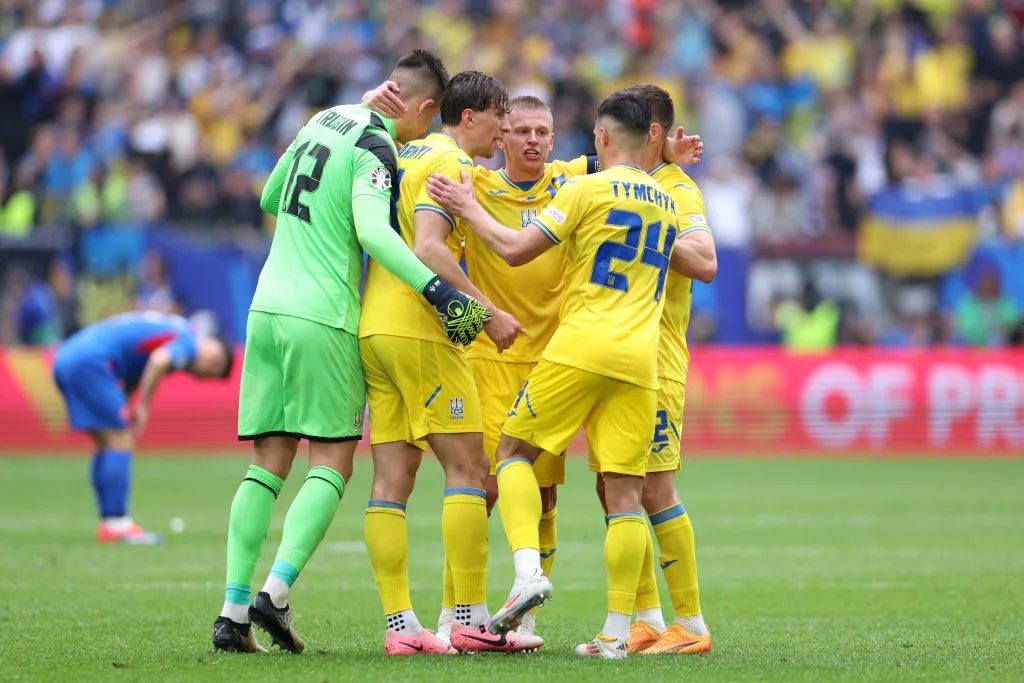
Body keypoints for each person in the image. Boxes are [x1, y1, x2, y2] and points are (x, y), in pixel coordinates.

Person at [363, 82, 702, 643]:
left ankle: (527, 612)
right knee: (484, 484)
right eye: (519, 130)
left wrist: (664, 150)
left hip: (558, 357)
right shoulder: (480, 181)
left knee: (543, 495)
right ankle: (459, 613)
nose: (532, 141)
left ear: (561, 139)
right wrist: (664, 156)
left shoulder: (572, 181)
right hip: (495, 355)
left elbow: (622, 149)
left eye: (543, 132)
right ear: (500, 137)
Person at [212, 50, 491, 655]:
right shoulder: (378, 144)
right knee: (333, 462)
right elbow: (371, 231)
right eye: (429, 116)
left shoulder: (324, 118)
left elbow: (269, 196)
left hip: (265, 310)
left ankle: (232, 612)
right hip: (324, 315)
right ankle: (275, 594)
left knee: (267, 463)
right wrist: (436, 288)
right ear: (421, 108)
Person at [357, 70, 540, 656]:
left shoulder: (403, 153)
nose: (504, 130)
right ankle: (468, 618)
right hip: (422, 330)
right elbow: (429, 248)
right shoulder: (447, 163)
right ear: (468, 117)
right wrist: (488, 312)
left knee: (391, 481)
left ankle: (400, 628)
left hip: (375, 325)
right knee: (471, 470)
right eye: (499, 119)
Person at [597, 84, 717, 656]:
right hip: (614, 357)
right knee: (612, 486)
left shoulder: (675, 188)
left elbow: (707, 261)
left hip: (656, 360)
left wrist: (648, 224)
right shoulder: (619, 177)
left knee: (653, 488)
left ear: (654, 135)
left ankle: (691, 624)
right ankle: (645, 618)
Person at [52, 311, 232, 544]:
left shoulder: (175, 326)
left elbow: (135, 361)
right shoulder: (188, 341)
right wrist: (144, 406)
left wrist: (127, 402)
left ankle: (109, 522)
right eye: (212, 367)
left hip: (68, 356)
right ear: (213, 349)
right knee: (120, 439)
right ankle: (117, 522)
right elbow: (158, 361)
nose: (205, 371)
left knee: (107, 441)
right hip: (90, 362)